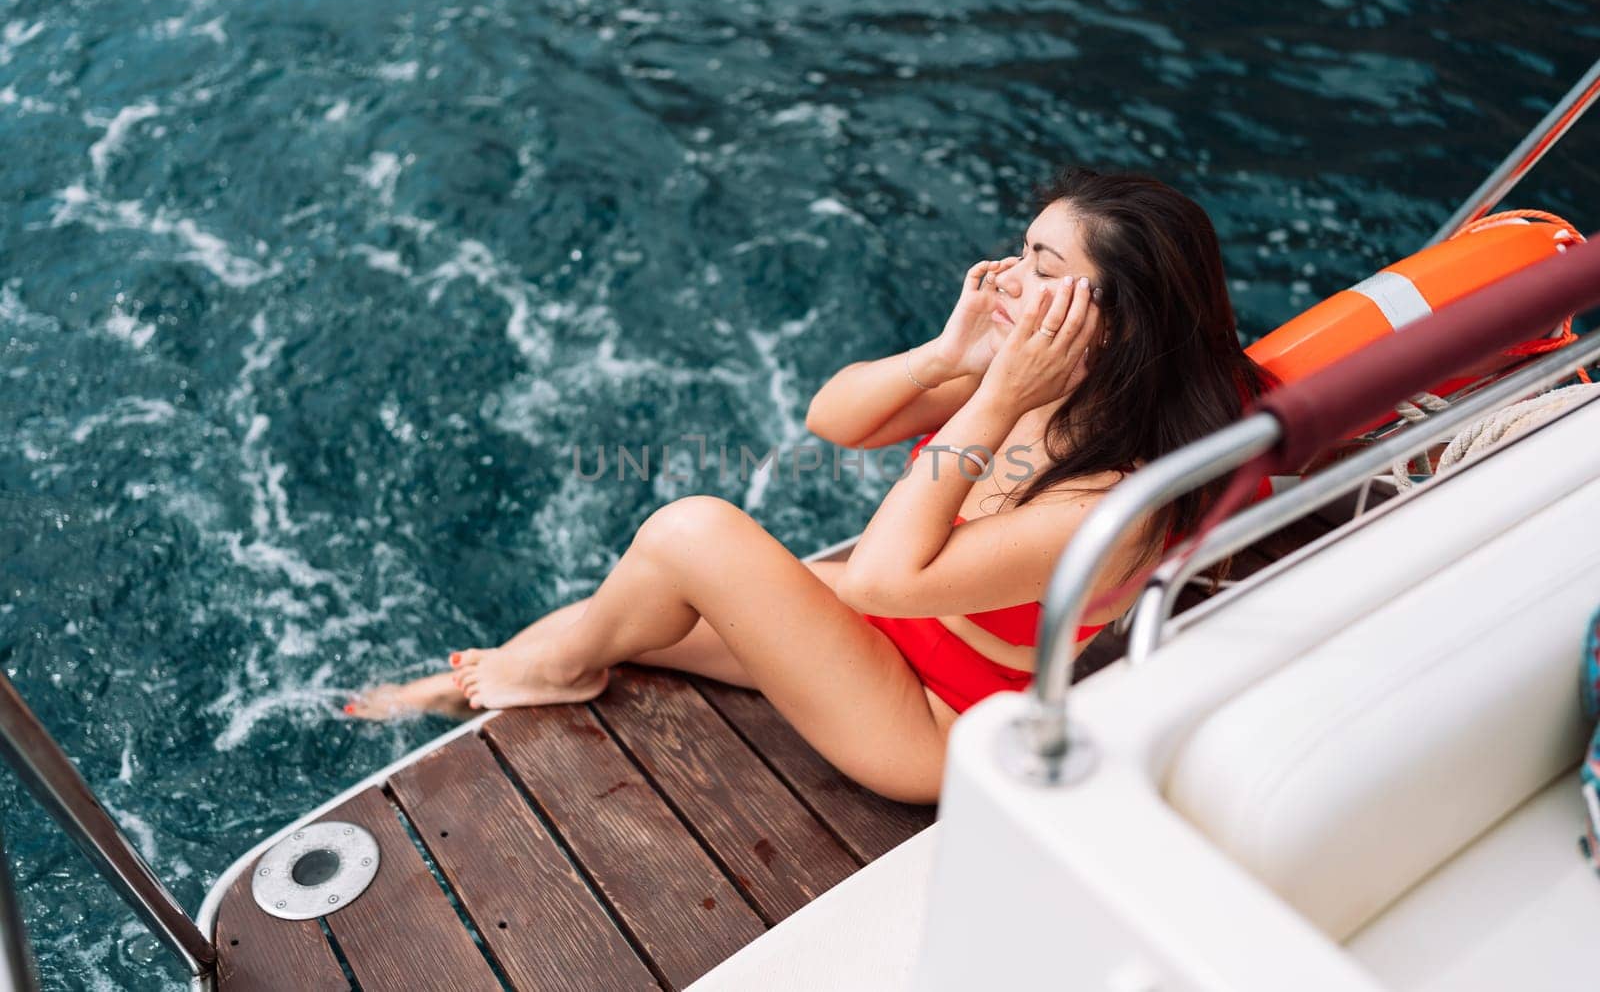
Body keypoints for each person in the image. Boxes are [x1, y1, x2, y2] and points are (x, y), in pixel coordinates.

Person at [348, 167, 1273, 804]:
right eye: (1022, 249)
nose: (1007, 274)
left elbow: (877, 578)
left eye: (1043, 267)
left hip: (928, 719)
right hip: (882, 634)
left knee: (692, 534)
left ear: (1108, 320)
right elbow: (833, 419)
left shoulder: (1112, 502)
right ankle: (520, 672)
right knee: (636, 601)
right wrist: (947, 356)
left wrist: (990, 402)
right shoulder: (1041, 374)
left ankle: (550, 668)